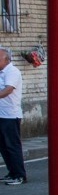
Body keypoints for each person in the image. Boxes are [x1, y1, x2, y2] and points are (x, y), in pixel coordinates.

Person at [0, 47, 26, 186]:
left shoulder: (12, 72)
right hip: (1, 114)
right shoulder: (1, 72)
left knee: (12, 146)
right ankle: (11, 172)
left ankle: (19, 175)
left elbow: (8, 90)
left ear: (6, 59)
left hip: (10, 115)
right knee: (3, 146)